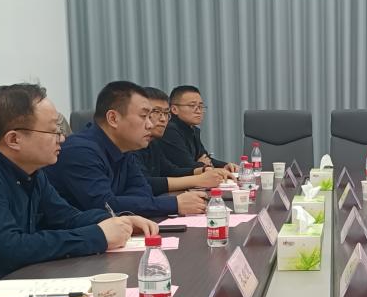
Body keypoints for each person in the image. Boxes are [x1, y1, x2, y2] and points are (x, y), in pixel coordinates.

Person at [0, 84, 156, 297]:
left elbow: (67, 218)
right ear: (14, 139)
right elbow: (9, 249)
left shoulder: (30, 171)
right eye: (53, 131)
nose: (62, 138)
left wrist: (118, 221)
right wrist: (98, 236)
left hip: (2, 289)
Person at [46, 81, 207, 217]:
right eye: (144, 116)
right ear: (113, 118)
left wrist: (130, 203)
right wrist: (174, 204)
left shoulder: (124, 148)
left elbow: (143, 192)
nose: (150, 124)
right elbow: (106, 205)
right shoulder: (80, 151)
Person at [136, 87, 229, 195]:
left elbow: (170, 170)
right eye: (156, 111)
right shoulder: (130, 146)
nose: (163, 119)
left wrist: (203, 170)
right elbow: (143, 183)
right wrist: (198, 178)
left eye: (166, 113)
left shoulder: (153, 142)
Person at [159, 85, 237, 172]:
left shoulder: (193, 130)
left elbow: (205, 157)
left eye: (200, 106)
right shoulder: (170, 130)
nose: (199, 111)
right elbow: (186, 166)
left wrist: (226, 165)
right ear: (174, 109)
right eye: (192, 106)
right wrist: (201, 164)